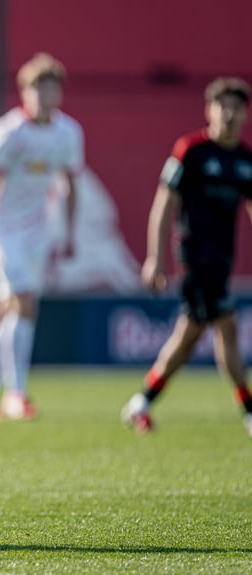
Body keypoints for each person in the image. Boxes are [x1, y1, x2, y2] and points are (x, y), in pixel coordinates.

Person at [122, 77, 252, 436]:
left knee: (189, 336)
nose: (228, 113)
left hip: (223, 260)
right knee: (226, 326)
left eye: (236, 107)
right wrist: (155, 258)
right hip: (194, 257)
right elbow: (164, 203)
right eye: (221, 105)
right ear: (208, 110)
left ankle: (141, 401)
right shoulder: (190, 150)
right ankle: (249, 411)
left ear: (244, 114)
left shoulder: (245, 161)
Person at [0, 52, 84, 421]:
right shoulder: (8, 131)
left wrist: (70, 233)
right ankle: (17, 393)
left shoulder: (68, 133)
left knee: (9, 311)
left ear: (59, 93)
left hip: (36, 232)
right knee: (24, 300)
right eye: (36, 88)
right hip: (0, 231)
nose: (44, 95)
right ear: (24, 92)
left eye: (50, 88)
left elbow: (71, 184)